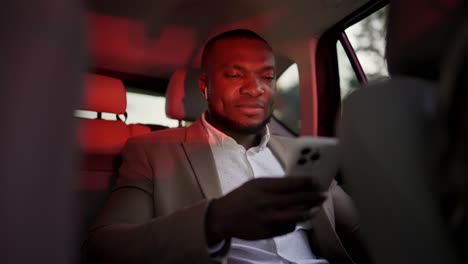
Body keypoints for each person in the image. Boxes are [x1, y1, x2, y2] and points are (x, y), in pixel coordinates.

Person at [84, 29, 368, 264]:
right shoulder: (151, 151)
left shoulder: (301, 153)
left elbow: (364, 231)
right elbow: (104, 246)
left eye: (267, 77)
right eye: (235, 75)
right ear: (206, 87)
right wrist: (213, 221)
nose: (255, 88)